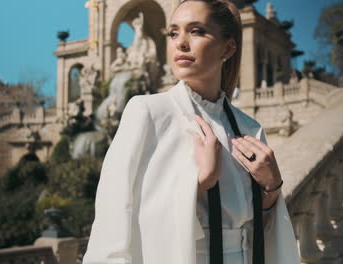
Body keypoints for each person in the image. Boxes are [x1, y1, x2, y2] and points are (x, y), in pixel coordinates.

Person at [83, 0, 299, 263]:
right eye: (173, 33)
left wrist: (271, 188)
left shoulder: (249, 128)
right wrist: (199, 183)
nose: (180, 43)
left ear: (228, 48)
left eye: (196, 31)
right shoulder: (147, 112)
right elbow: (114, 218)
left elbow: (255, 235)